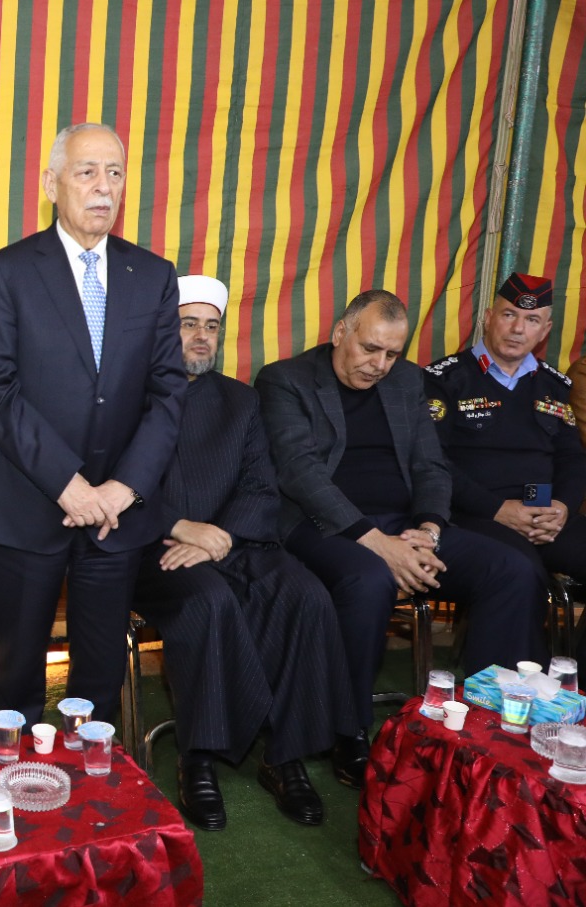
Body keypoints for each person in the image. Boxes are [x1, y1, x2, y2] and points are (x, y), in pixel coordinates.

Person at [256, 289, 545, 788]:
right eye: (370, 348)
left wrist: (429, 530)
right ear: (340, 332)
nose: (379, 365)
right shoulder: (286, 380)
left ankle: (484, 723)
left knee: (511, 570)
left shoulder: (407, 380)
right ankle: (347, 730)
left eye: (391, 353)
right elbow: (300, 473)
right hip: (321, 525)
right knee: (369, 580)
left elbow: (430, 464)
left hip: (406, 524)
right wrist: (377, 542)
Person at [0, 122, 187, 725]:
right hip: (28, 504)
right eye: (87, 172)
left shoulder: (153, 275)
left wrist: (122, 488)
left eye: (115, 173)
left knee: (100, 677)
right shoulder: (6, 272)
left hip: (117, 514)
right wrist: (68, 484)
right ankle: (16, 776)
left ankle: (96, 779)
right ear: (51, 184)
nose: (103, 187)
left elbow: (168, 393)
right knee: (17, 678)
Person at [130, 277, 354, 831]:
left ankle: (284, 754)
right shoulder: (127, 398)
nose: (201, 337)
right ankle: (198, 757)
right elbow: (112, 488)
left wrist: (221, 536)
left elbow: (260, 485)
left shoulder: (241, 400)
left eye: (211, 326)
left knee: (304, 595)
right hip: (151, 549)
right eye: (188, 324)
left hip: (234, 542)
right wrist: (181, 528)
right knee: (208, 602)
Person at [422, 274, 586, 590]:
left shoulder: (554, 385)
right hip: (475, 516)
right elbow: (432, 462)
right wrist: (496, 510)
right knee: (521, 573)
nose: (518, 329)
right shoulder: (444, 381)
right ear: (488, 318)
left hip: (545, 520)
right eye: (509, 314)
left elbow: (573, 459)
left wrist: (562, 507)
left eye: (532, 320)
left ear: (545, 330)